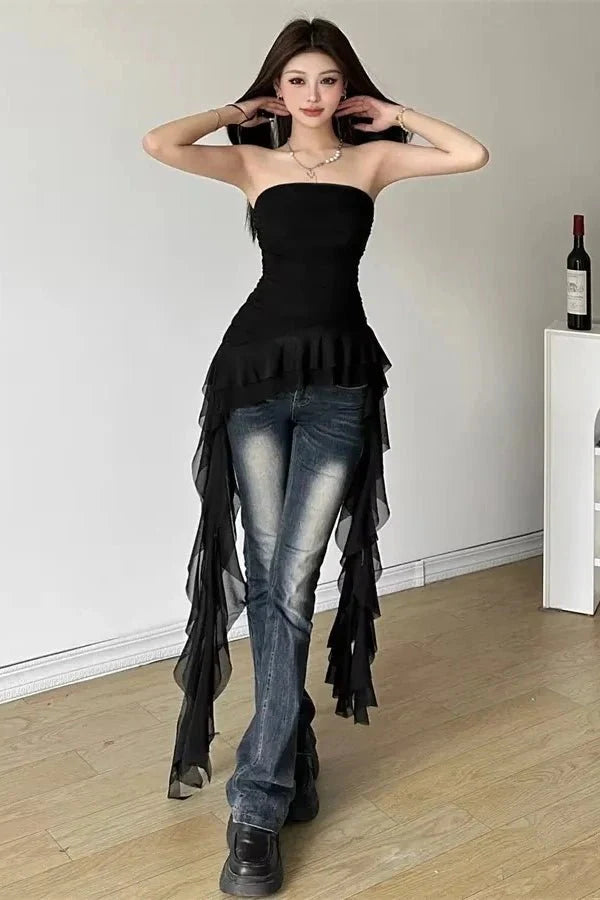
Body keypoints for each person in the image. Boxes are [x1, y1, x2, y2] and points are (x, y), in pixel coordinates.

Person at [142, 15, 489, 897]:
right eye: (296, 80)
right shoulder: (251, 165)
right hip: (255, 379)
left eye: (327, 80)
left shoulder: (372, 163)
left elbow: (470, 154)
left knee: (293, 578)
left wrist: (394, 113)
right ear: (278, 88)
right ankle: (272, 781)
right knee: (272, 578)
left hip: (340, 382)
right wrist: (238, 111)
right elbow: (159, 142)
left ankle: (263, 789)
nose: (312, 95)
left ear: (347, 88)